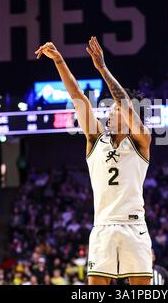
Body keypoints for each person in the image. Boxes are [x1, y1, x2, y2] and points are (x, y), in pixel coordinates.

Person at [35, 37, 153, 285]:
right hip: (103, 227)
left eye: (115, 109)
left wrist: (102, 68)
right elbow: (77, 95)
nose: (111, 111)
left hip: (135, 227)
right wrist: (59, 61)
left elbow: (126, 104)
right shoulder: (95, 139)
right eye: (109, 111)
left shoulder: (141, 142)